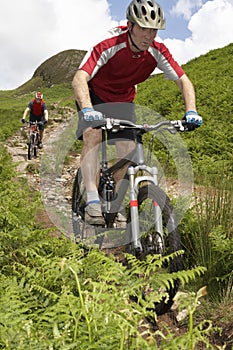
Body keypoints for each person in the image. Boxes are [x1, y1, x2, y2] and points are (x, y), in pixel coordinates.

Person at [72, 0, 202, 226]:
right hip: (94, 94)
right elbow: (79, 78)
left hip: (123, 100)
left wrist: (191, 111)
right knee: (92, 135)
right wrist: (87, 110)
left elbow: (183, 80)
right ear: (130, 25)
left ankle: (111, 202)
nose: (148, 35)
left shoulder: (157, 51)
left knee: (128, 149)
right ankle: (92, 198)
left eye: (153, 30)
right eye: (143, 28)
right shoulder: (110, 43)